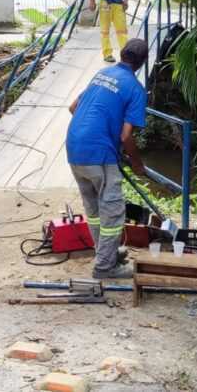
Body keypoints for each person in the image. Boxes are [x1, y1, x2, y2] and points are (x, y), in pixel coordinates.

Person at [66, 39, 148, 279]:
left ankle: (106, 253)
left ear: (121, 54)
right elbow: (125, 136)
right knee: (112, 212)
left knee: (93, 209)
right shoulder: (135, 88)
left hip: (74, 147)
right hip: (99, 153)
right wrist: (137, 164)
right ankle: (105, 267)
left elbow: (73, 107)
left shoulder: (102, 73)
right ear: (142, 63)